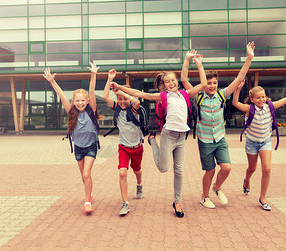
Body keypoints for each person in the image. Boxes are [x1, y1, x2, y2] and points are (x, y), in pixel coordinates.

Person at [110, 52, 207, 218]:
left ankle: (177, 201)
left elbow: (203, 84)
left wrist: (195, 62)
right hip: (168, 136)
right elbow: (139, 93)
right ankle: (153, 142)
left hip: (181, 137)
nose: (170, 83)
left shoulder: (185, 94)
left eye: (173, 80)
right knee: (163, 168)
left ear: (177, 82)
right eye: (167, 82)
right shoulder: (163, 96)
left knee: (179, 171)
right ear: (163, 85)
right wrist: (120, 88)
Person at [180, 42, 255, 209]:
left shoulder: (222, 95)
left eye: (214, 82)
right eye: (209, 83)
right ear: (204, 83)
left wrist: (249, 57)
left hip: (220, 138)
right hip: (205, 140)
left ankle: (217, 188)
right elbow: (184, 80)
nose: (212, 85)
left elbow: (239, 78)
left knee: (226, 167)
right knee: (210, 170)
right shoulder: (198, 97)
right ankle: (204, 196)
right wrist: (188, 60)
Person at [232, 79, 286, 211]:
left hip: (265, 141)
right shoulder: (249, 109)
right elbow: (235, 103)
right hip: (251, 142)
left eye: (263, 97)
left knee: (267, 169)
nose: (261, 99)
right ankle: (247, 181)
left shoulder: (270, 107)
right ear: (252, 99)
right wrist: (238, 88)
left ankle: (262, 198)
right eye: (258, 98)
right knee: (252, 168)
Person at [43, 63, 100, 214]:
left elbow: (92, 90)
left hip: (91, 146)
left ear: (87, 101)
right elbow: (61, 95)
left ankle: (87, 201)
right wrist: (52, 81)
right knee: (84, 176)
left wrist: (93, 74)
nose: (80, 103)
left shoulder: (91, 110)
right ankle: (90, 193)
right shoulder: (71, 111)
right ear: (74, 101)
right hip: (78, 147)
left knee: (86, 174)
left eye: (83, 100)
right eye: (77, 100)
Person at [103, 69, 145, 216]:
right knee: (122, 173)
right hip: (124, 148)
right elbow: (105, 96)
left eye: (124, 99)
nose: (122, 101)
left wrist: (122, 91)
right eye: (119, 99)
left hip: (137, 148)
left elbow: (136, 101)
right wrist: (110, 80)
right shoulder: (116, 108)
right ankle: (125, 203)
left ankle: (139, 185)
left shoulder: (134, 109)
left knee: (137, 170)